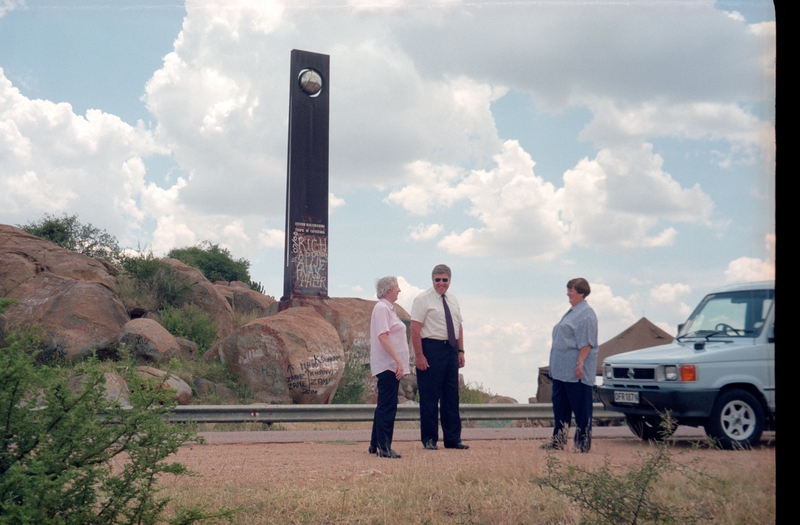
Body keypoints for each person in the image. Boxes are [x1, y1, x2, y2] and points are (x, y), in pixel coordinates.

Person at [411, 264, 469, 450]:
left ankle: (453, 439)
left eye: (444, 280)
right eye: (438, 280)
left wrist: (461, 351)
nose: (441, 283)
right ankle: (429, 439)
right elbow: (415, 328)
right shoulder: (423, 299)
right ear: (432, 280)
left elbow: (458, 326)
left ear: (449, 281)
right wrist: (419, 356)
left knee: (451, 396)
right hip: (431, 348)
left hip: (450, 349)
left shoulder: (453, 300)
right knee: (429, 397)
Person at [542, 277, 599, 452]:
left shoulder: (586, 315)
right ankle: (558, 440)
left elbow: (587, 343)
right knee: (561, 408)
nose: (568, 293)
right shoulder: (572, 312)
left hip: (575, 372)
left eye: (571, 290)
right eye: (568, 289)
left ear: (581, 292)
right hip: (561, 371)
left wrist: (580, 363)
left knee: (581, 410)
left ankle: (582, 444)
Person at [369, 276, 410, 459]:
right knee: (388, 406)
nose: (399, 290)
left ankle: (374, 444)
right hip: (388, 365)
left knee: (383, 405)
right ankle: (384, 447)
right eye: (397, 287)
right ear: (388, 290)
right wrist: (398, 361)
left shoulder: (388, 309)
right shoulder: (382, 308)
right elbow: (383, 336)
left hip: (390, 364)